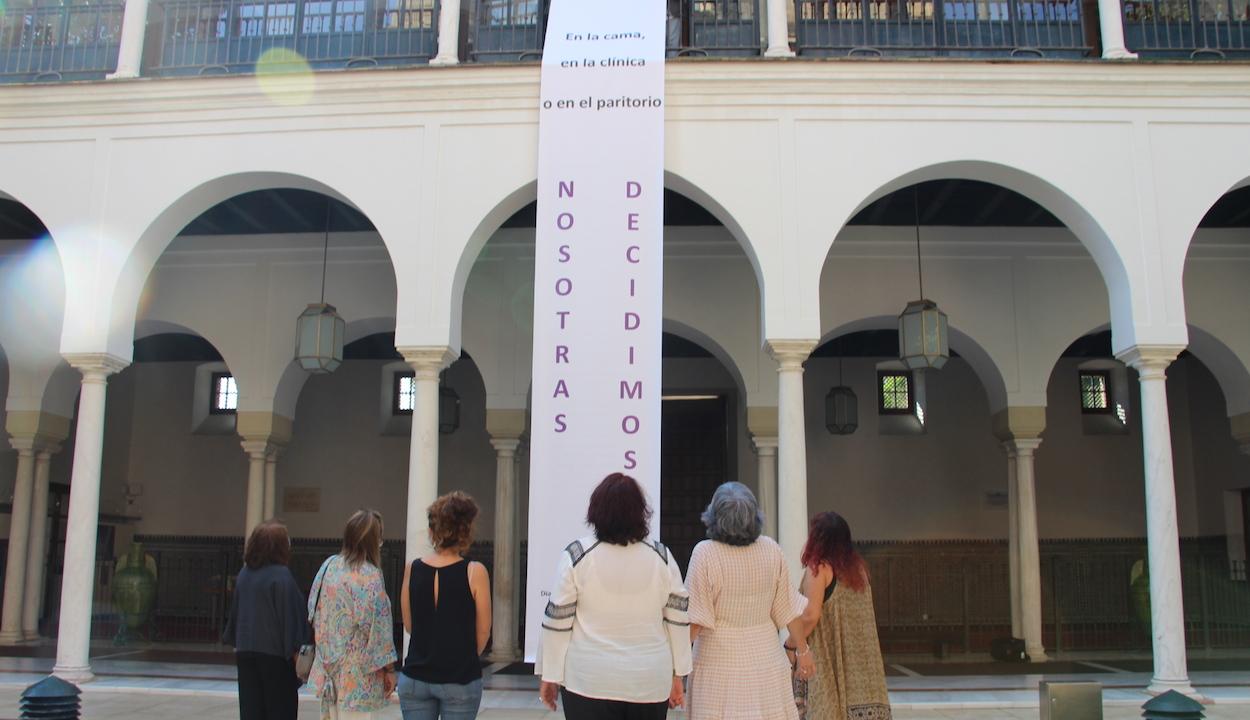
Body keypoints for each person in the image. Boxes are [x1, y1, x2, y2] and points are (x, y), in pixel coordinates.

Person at [539, 473, 692, 719]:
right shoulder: (661, 556)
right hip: (648, 681)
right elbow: (678, 620)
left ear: (596, 510)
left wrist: (550, 674)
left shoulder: (577, 555)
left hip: (588, 681)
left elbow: (558, 620)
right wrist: (678, 674)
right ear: (640, 512)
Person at [686, 482, 814, 720]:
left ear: (714, 517)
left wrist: (674, 665)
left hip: (717, 667)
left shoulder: (705, 553)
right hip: (766, 663)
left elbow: (696, 620)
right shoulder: (771, 549)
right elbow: (788, 610)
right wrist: (803, 650)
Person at [398, 491, 492, 720]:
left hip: (416, 676)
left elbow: (409, 625)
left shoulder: (413, 568)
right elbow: (483, 630)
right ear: (466, 531)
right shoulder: (475, 571)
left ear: (433, 531)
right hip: (459, 677)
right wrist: (463, 656)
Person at [790, 511, 891, 720]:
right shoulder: (859, 570)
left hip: (828, 662)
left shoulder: (819, 568)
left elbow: (810, 616)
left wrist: (791, 644)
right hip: (862, 666)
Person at [308, 509, 399, 720]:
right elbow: (380, 630)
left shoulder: (328, 566)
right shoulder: (370, 575)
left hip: (328, 669)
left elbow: (312, 610)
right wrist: (389, 670)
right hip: (358, 677)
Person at [224, 519, 308, 720]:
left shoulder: (244, 574)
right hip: (275, 658)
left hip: (246, 653)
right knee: (280, 710)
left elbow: (235, 615)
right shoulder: (281, 576)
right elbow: (292, 618)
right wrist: (298, 655)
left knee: (251, 710)